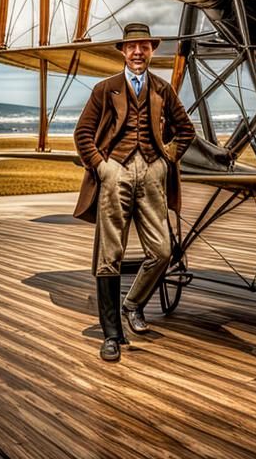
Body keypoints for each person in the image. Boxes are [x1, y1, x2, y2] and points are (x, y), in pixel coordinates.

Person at [73, 22, 196, 362]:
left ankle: (134, 304)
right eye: (132, 47)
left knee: (162, 250)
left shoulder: (161, 89)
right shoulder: (105, 88)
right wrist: (102, 165)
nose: (138, 52)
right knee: (109, 254)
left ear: (152, 49)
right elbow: (83, 132)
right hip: (115, 172)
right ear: (123, 52)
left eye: (144, 46)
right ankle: (112, 334)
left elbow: (185, 129)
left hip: (152, 172)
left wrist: (166, 159)